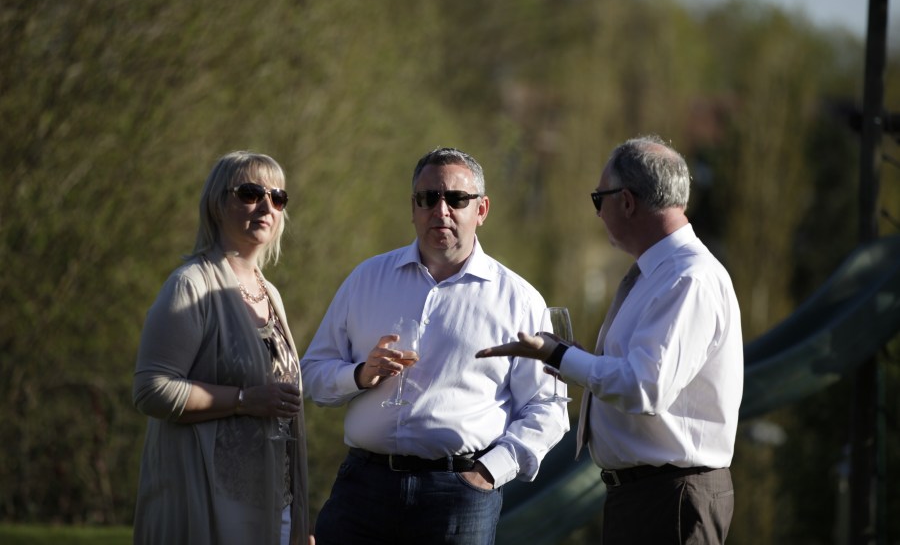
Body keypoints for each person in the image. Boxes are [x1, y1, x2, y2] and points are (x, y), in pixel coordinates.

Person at [477, 135, 743, 544]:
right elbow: (641, 373)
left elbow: (644, 387)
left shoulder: (687, 278)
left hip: (669, 496)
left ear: (627, 202)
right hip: (650, 494)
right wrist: (572, 358)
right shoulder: (663, 274)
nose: (598, 213)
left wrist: (558, 355)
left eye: (598, 199)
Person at [300, 147, 569, 545]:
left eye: (456, 199)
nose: (440, 210)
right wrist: (359, 375)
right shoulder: (367, 280)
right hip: (363, 487)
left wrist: (490, 472)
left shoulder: (519, 300)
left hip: (459, 494)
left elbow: (548, 407)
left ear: (481, 210)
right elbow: (311, 375)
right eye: (428, 198)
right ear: (413, 207)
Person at [133, 151, 313, 545]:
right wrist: (244, 400)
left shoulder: (270, 292)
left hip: (275, 506)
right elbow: (151, 389)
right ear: (218, 204)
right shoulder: (190, 285)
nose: (266, 206)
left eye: (278, 197)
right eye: (250, 193)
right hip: (211, 504)